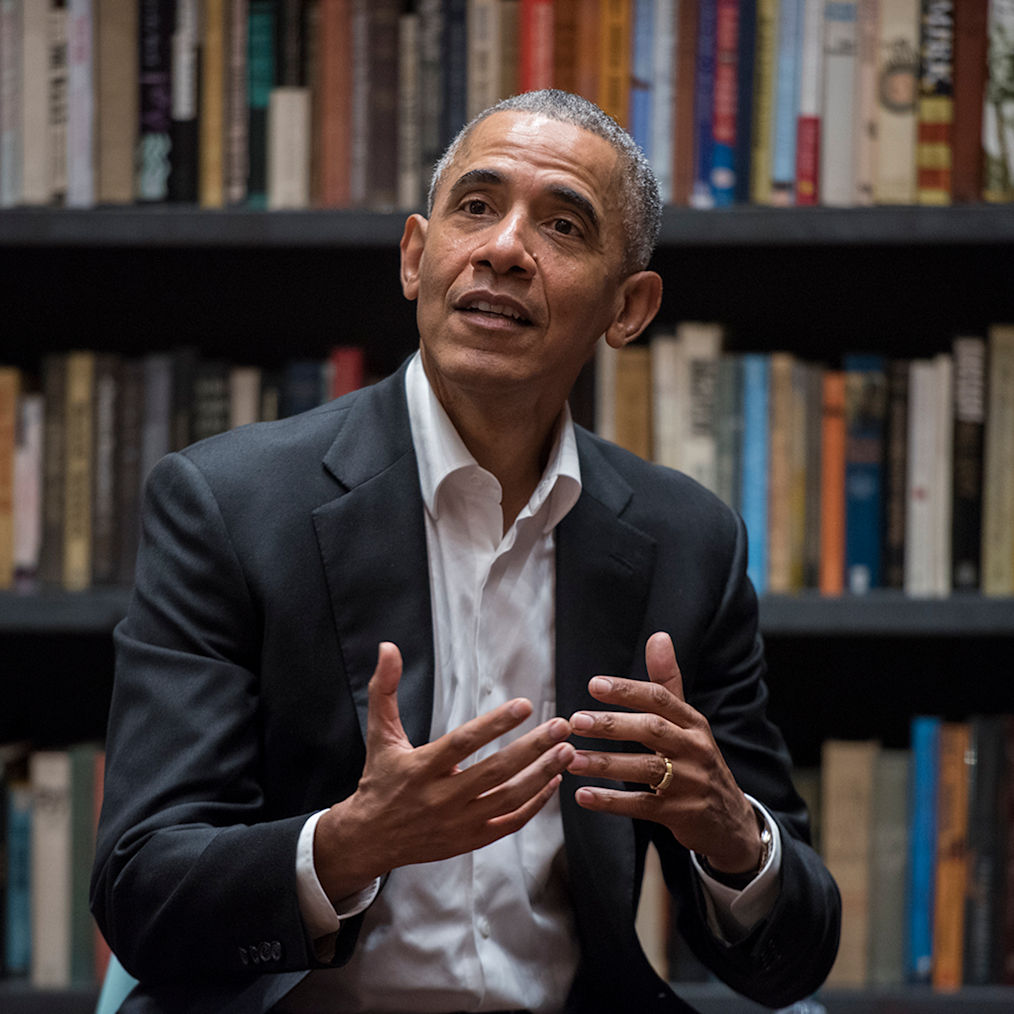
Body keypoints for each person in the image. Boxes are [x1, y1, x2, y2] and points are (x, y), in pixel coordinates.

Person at [91, 90, 840, 1014]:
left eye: (563, 225)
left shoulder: (688, 542)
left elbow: (792, 960)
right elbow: (141, 886)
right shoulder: (231, 507)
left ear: (629, 307)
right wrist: (350, 843)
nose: (505, 249)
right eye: (476, 208)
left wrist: (732, 833)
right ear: (417, 256)